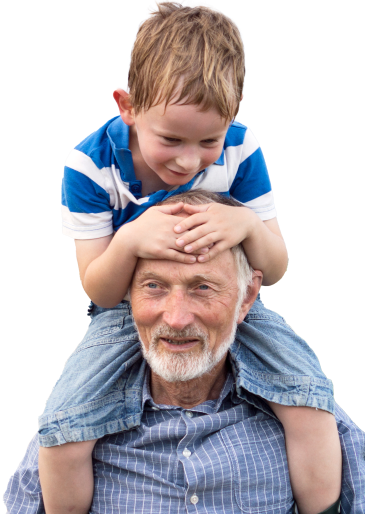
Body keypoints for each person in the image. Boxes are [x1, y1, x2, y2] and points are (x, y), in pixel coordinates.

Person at [37, 1, 342, 513]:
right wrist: (131, 242)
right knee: (67, 421)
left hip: (231, 300)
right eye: (171, 139)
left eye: (208, 141)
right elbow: (98, 287)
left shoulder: (241, 152)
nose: (188, 160)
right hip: (124, 309)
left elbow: (278, 266)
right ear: (127, 106)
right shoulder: (89, 167)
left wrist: (246, 223)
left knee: (308, 395)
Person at [3, 191, 365, 513]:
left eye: (203, 288)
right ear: (126, 295)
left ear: (247, 297)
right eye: (154, 286)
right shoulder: (70, 423)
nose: (175, 319)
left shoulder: (308, 413)